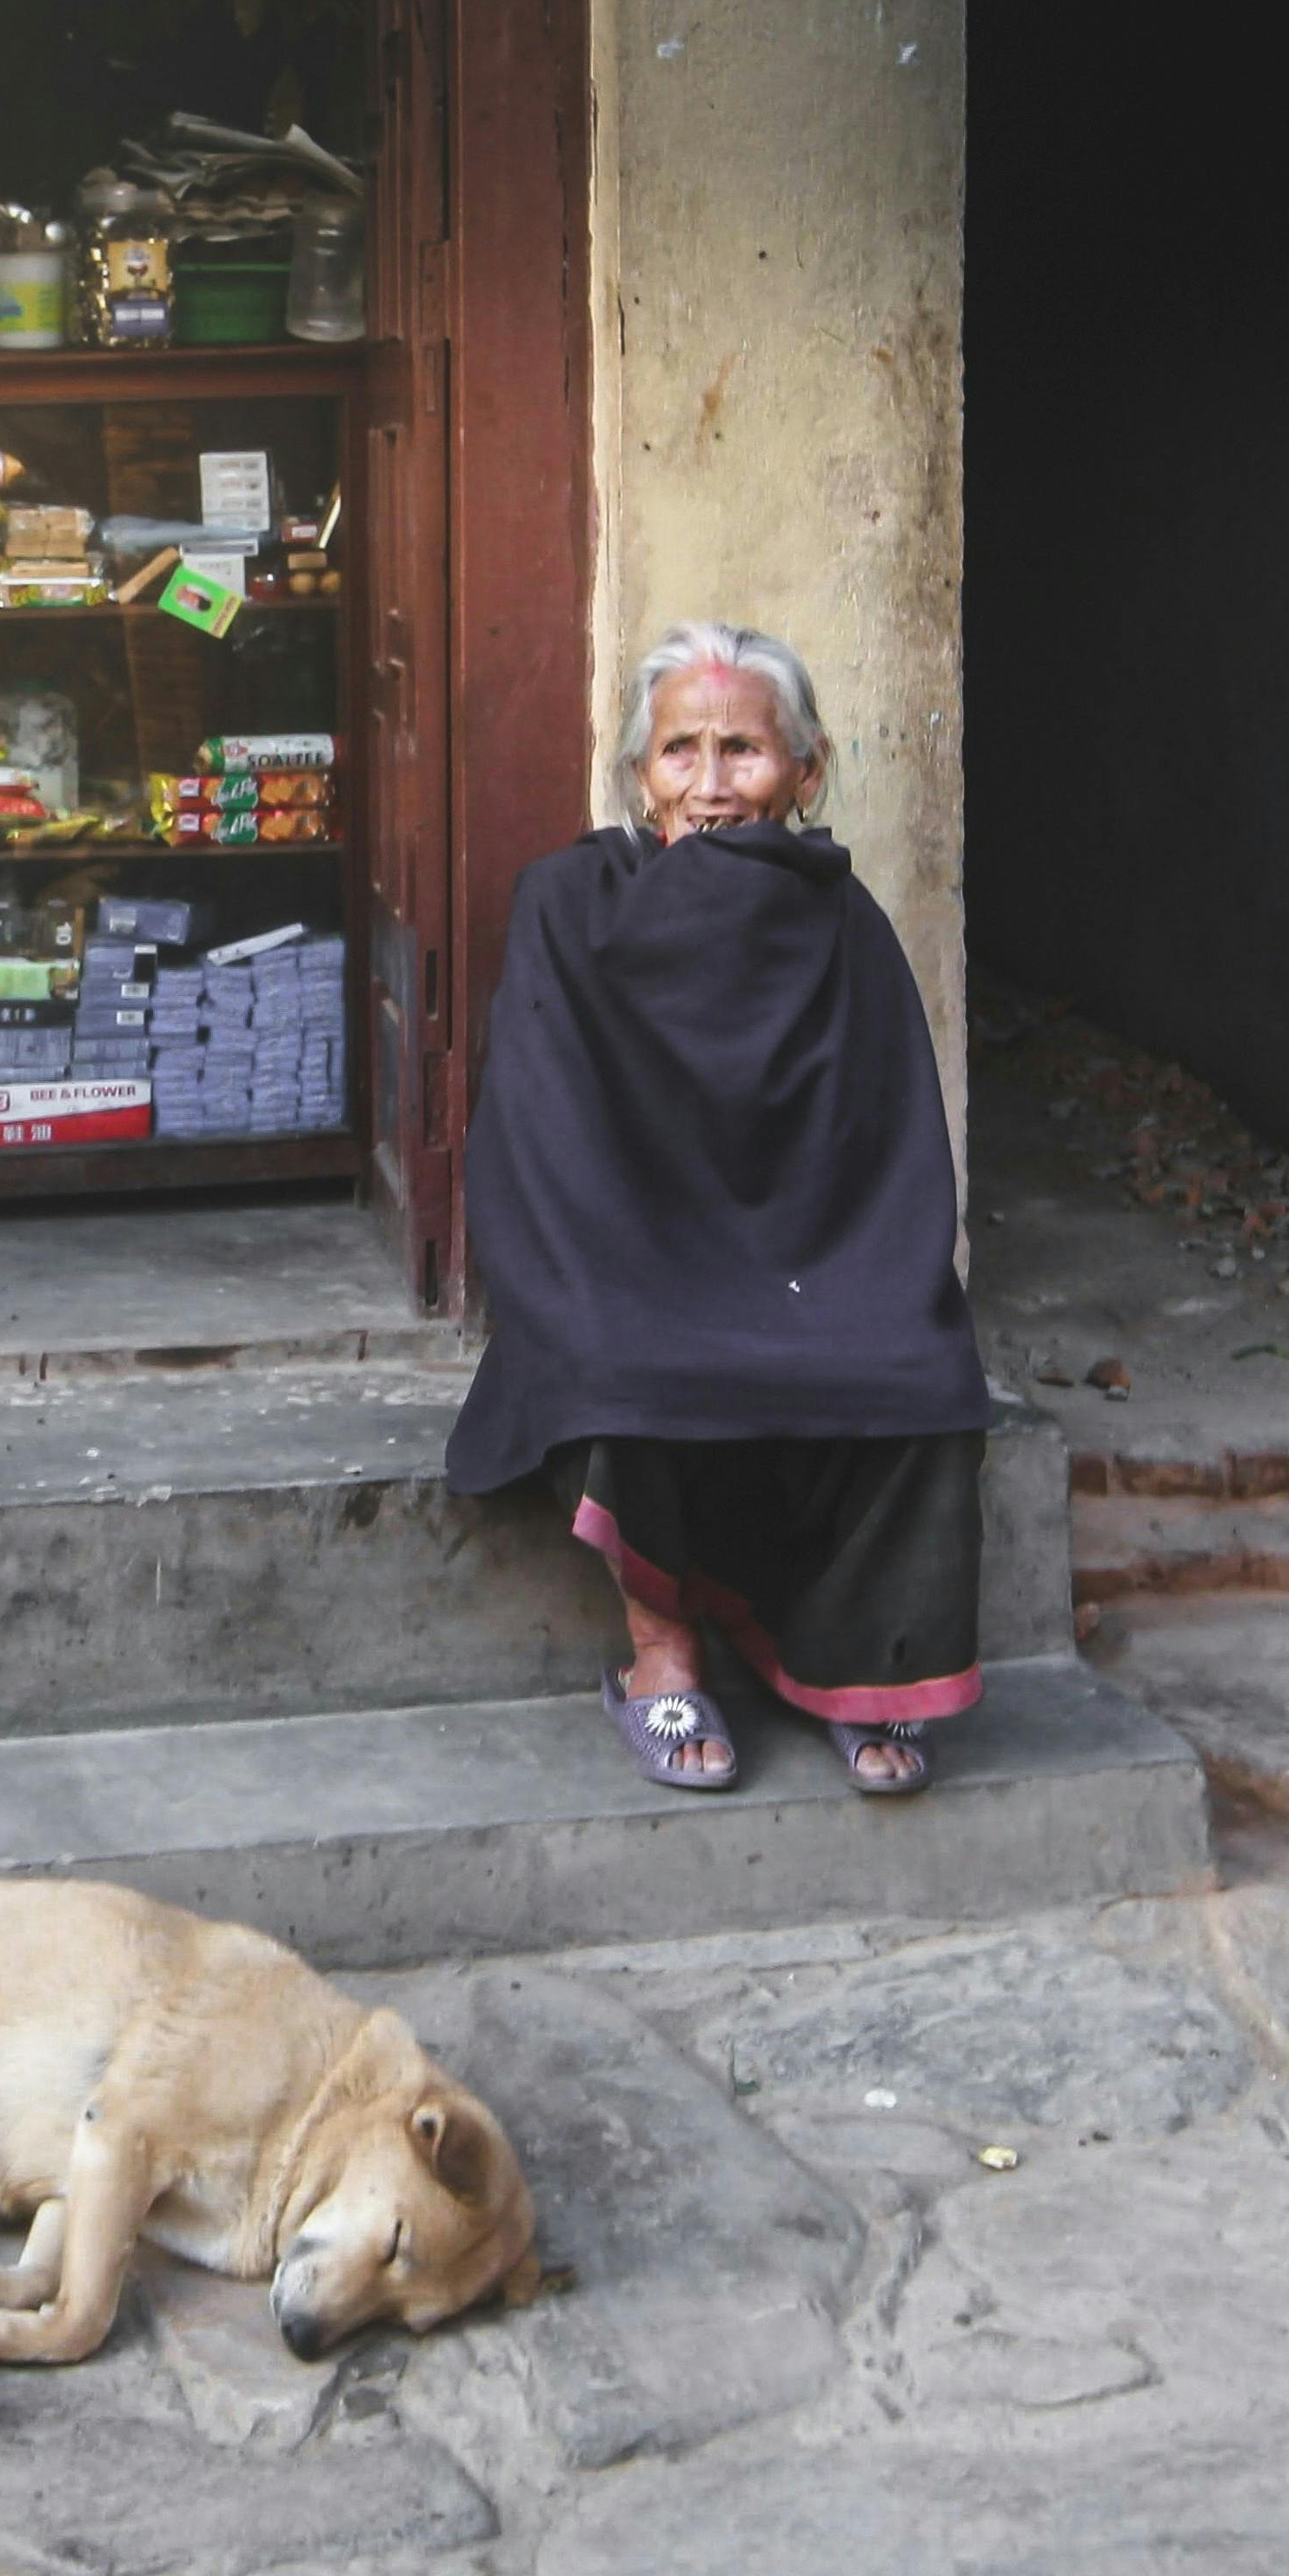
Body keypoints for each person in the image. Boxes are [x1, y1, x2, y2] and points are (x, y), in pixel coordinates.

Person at [446, 621, 991, 1796]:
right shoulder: (568, 902)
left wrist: (877, 1283)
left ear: (808, 771)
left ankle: (861, 1669)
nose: (709, 784)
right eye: (678, 751)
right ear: (639, 778)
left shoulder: (848, 927)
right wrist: (610, 1276)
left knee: (921, 1358)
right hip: (624, 1258)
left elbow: (891, 1146)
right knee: (626, 1350)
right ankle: (661, 1663)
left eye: (742, 750)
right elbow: (537, 1135)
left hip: (805, 1260)